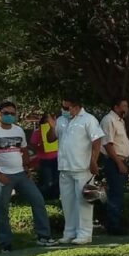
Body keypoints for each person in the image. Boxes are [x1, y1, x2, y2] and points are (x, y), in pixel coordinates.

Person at [0, 101, 58, 252]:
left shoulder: (18, 130)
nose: (9, 116)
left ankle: (44, 237)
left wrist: (26, 167)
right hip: (2, 175)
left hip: (20, 174)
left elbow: (23, 150)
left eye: (12, 113)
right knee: (2, 210)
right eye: (6, 113)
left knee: (38, 201)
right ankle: (6, 244)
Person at [54, 97, 105, 244]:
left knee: (84, 201)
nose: (64, 111)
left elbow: (97, 140)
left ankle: (84, 234)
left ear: (76, 107)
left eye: (67, 108)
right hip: (64, 167)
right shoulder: (61, 120)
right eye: (62, 107)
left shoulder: (88, 119)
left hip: (82, 168)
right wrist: (52, 125)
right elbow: (52, 138)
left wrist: (94, 161)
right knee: (67, 202)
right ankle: (69, 233)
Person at [100, 98, 129, 236]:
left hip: (121, 160)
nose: (126, 108)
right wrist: (119, 163)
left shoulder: (120, 121)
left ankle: (117, 222)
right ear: (116, 106)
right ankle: (113, 225)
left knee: (119, 193)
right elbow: (108, 144)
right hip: (114, 161)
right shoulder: (109, 120)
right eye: (123, 106)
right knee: (115, 194)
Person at [29, 112, 61, 200]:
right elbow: (33, 145)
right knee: (48, 181)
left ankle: (54, 197)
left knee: (56, 180)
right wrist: (41, 146)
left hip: (56, 158)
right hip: (44, 160)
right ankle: (41, 196)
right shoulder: (37, 132)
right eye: (47, 121)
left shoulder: (56, 130)